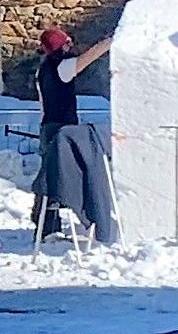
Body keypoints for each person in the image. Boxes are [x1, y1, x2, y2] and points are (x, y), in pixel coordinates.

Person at [31, 24, 116, 248]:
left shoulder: (43, 69)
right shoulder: (61, 66)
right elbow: (86, 60)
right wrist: (107, 43)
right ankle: (48, 228)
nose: (72, 46)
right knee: (59, 178)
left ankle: (45, 226)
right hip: (62, 131)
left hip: (48, 127)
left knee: (49, 176)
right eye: (68, 42)